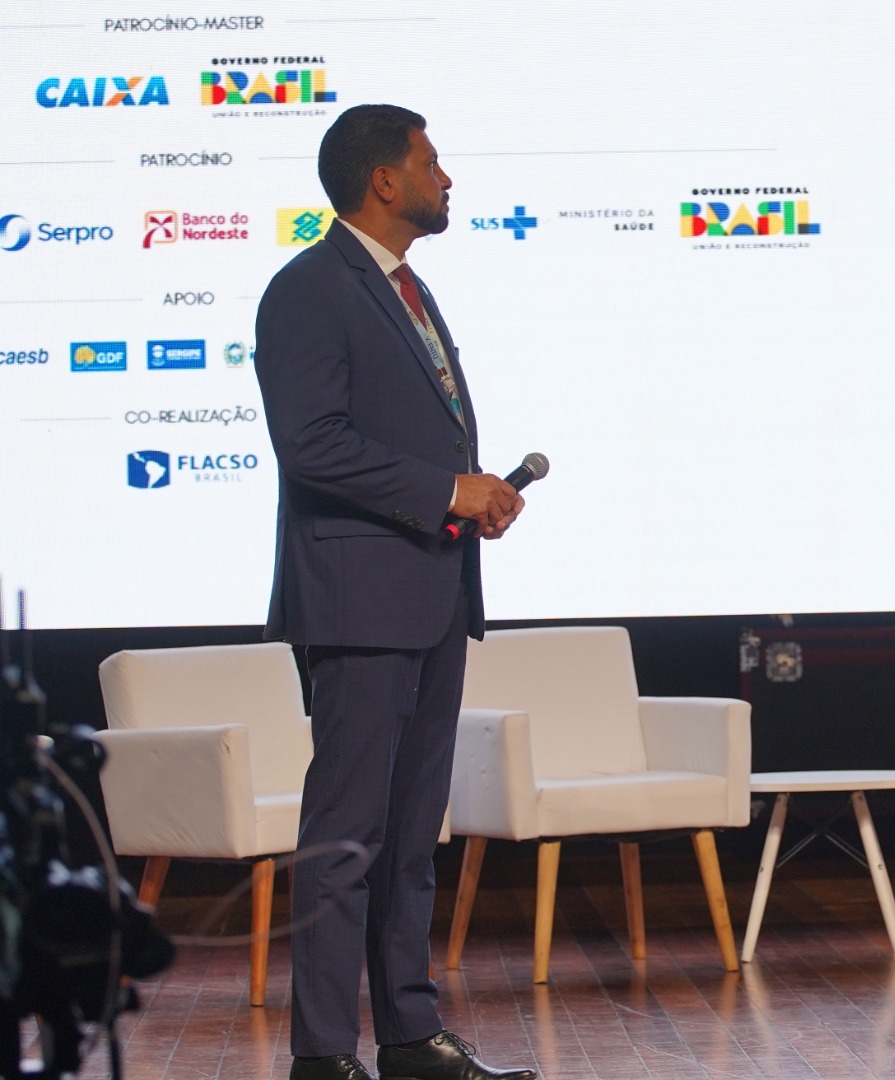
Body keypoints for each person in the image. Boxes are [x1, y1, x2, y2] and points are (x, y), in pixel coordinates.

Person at [255, 104, 534, 1080]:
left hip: (432, 588)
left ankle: (410, 1036)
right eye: (430, 161)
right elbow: (311, 444)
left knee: (414, 833)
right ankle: (325, 1052)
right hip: (358, 599)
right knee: (346, 836)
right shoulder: (308, 288)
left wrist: (471, 498)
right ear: (383, 179)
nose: (445, 178)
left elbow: (414, 432)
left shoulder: (406, 288)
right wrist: (444, 490)